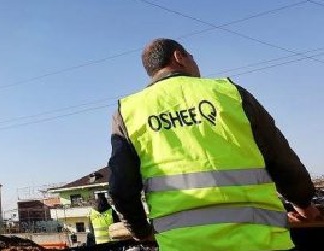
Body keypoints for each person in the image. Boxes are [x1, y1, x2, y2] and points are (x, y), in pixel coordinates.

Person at [109, 38, 321, 250]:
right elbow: (279, 156)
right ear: (178, 57)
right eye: (191, 56)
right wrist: (303, 203)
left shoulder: (129, 111)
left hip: (184, 245)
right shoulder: (230, 93)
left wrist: (141, 232)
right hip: (262, 240)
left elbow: (121, 187)